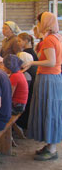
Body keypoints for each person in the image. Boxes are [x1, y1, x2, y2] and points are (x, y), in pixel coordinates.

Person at [23, 12, 62, 161]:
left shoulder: (49, 40)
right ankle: (50, 145)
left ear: (45, 23)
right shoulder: (56, 37)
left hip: (48, 78)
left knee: (49, 111)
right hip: (53, 78)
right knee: (50, 111)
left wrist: (32, 62)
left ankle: (52, 149)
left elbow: (51, 62)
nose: (37, 25)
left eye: (39, 22)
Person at [17, 32, 38, 129]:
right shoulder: (30, 52)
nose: (18, 43)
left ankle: (22, 123)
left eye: (19, 41)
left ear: (26, 41)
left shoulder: (27, 54)